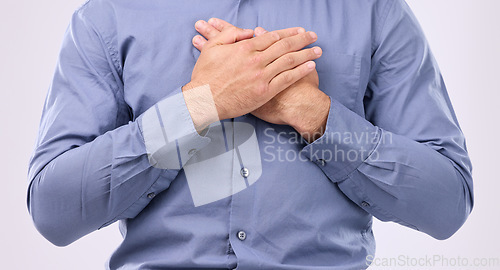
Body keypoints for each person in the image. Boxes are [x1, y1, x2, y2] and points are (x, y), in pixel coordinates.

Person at [27, 0, 473, 269]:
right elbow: (55, 211)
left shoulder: (374, 11)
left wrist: (316, 115)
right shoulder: (108, 14)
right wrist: (200, 105)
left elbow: (446, 203)